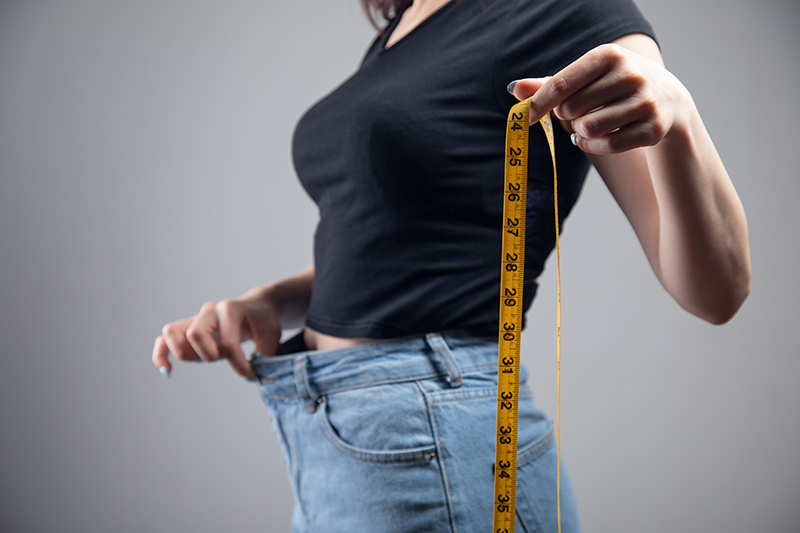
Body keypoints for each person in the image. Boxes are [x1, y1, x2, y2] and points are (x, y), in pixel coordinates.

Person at [151, 0, 751, 531]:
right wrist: (270, 301)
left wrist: (681, 118)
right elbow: (408, 249)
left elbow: (714, 291)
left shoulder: (564, 11)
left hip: (430, 435)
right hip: (333, 435)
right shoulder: (403, 25)